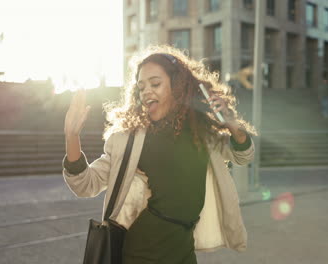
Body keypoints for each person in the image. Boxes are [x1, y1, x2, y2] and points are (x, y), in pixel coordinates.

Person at [62, 45, 256, 264]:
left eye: (155, 84)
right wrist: (72, 136)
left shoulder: (201, 132)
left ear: (178, 86)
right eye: (141, 87)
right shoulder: (128, 139)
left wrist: (232, 124)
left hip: (183, 244)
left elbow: (243, 155)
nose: (146, 92)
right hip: (145, 247)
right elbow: (85, 184)